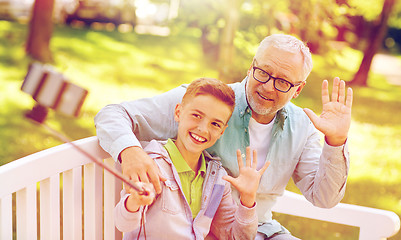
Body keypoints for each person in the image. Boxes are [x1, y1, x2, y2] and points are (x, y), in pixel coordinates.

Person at [95, 34, 353, 239]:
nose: (267, 87)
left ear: (298, 89)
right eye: (263, 72)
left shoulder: (303, 127)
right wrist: (130, 151)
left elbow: (324, 198)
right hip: (207, 232)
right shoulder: (208, 103)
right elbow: (112, 114)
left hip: (260, 230)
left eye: (283, 82)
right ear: (252, 66)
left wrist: (336, 141)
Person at [114, 78, 270, 239]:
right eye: (196, 115)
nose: (203, 129)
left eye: (215, 124)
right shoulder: (154, 166)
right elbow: (122, 223)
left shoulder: (218, 180)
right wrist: (134, 201)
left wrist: (248, 199)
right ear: (178, 112)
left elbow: (237, 237)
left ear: (222, 131)